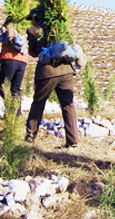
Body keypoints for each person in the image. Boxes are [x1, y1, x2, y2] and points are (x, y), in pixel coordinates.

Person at [24, 9, 78, 148]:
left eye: (31, 19)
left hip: (47, 73)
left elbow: (33, 52)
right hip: (66, 71)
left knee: (38, 103)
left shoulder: (33, 31)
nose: (31, 22)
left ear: (36, 18)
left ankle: (30, 136)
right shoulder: (61, 28)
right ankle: (73, 140)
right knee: (68, 105)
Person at [0, 19, 29, 112]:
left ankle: (11, 110)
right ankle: (17, 114)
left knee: (2, 87)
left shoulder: (6, 28)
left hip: (9, 59)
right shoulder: (24, 28)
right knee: (15, 89)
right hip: (22, 61)